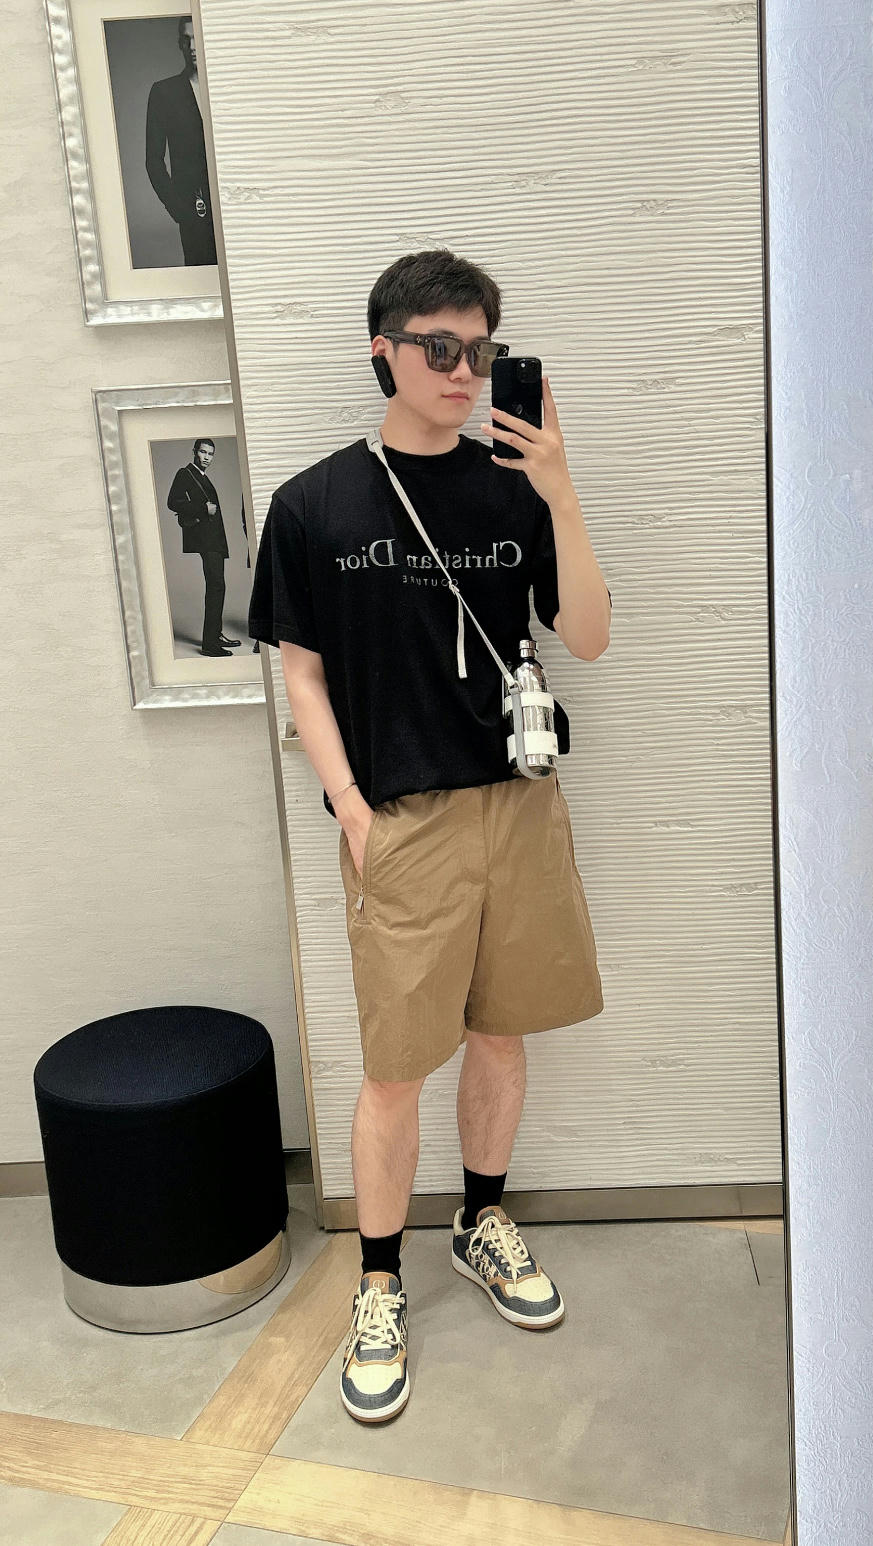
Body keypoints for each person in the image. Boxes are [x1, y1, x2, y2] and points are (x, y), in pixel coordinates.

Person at [247, 248, 612, 1424]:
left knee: (501, 1034)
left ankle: (482, 1219)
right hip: (399, 816)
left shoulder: (514, 487)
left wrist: (561, 489)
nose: (463, 371)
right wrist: (351, 806)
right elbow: (300, 670)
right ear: (385, 352)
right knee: (397, 1066)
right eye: (439, 348)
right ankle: (378, 1282)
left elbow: (589, 636)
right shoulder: (314, 504)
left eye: (480, 350)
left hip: (518, 803)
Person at [144, 17, 218, 268]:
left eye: (197, 38)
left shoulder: (230, 87)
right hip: (195, 212)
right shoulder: (164, 92)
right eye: (187, 40)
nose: (193, 46)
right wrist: (179, 211)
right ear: (180, 44)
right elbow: (153, 161)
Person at [166, 438, 238, 656]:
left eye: (211, 454)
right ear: (194, 452)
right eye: (203, 452)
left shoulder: (202, 476)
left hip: (214, 540)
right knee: (215, 586)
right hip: (206, 540)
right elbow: (172, 502)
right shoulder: (185, 473)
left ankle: (215, 634)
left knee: (218, 586)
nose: (207, 457)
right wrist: (201, 508)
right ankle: (209, 644)